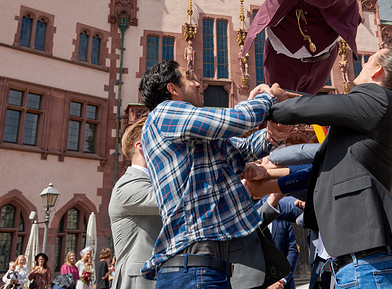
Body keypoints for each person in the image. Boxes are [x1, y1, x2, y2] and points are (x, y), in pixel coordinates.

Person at [265, 46, 392, 289]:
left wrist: (265, 105)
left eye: (367, 61)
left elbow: (313, 109)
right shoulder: (371, 109)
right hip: (362, 266)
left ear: (378, 71)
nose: (361, 65)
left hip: (369, 267)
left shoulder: (379, 99)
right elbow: (323, 108)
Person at [137, 59, 292, 287]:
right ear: (173, 89)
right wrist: (268, 97)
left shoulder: (194, 137)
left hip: (203, 268)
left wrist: (273, 136)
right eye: (188, 78)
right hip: (193, 268)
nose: (198, 84)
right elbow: (237, 120)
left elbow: (240, 150)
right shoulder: (164, 113)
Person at [109, 118, 162, 289]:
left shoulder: (153, 182)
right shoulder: (127, 185)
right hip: (138, 281)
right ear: (141, 145)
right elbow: (173, 200)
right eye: (159, 139)